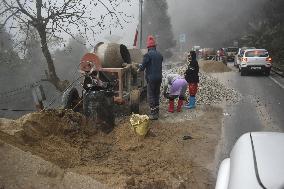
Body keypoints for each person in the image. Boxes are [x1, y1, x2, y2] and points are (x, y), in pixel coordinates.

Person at [137, 35, 163, 120]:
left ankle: (153, 114)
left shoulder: (147, 55)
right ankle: (157, 112)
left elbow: (143, 67)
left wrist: (138, 69)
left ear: (148, 47)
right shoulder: (160, 55)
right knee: (156, 94)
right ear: (155, 46)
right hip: (159, 78)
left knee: (151, 95)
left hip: (151, 78)